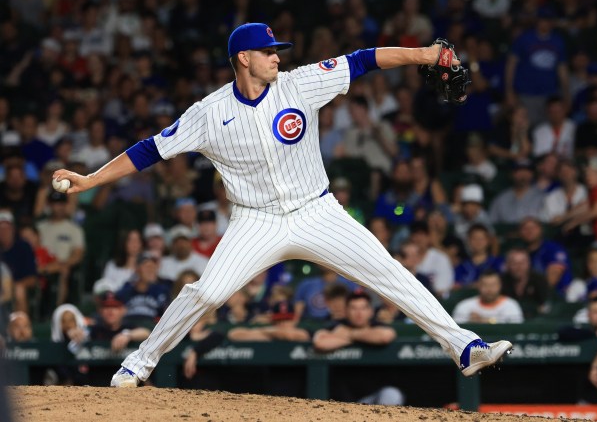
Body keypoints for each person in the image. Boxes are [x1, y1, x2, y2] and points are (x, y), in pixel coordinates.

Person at [52, 22, 512, 387]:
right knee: (207, 292)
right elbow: (150, 149)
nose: (278, 56)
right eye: (270, 51)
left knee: (389, 272)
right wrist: (91, 180)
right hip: (257, 221)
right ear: (243, 58)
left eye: (279, 50)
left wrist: (426, 55)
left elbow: (364, 60)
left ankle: (465, 348)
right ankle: (140, 361)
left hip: (318, 212)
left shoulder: (300, 84)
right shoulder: (208, 113)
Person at [313, 290, 405, 406]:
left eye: (363, 308)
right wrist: (363, 336)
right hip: (342, 402)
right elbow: (320, 342)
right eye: (354, 308)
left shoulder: (376, 325)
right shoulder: (337, 325)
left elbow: (385, 337)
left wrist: (350, 335)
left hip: (373, 399)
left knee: (391, 394)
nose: (359, 313)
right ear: (346, 311)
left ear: (371, 311)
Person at [519, 217, 573, 293]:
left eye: (533, 227)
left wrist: (533, 294)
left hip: (558, 295)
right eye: (525, 228)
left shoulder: (553, 248)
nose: (529, 231)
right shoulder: (519, 252)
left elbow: (552, 277)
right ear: (520, 232)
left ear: (540, 229)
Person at [452, 271, 524, 324]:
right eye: (485, 285)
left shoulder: (511, 305)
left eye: (493, 285)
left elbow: (517, 331)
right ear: (478, 286)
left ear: (500, 286)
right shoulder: (464, 306)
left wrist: (486, 320)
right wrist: (470, 321)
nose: (489, 289)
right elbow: (455, 331)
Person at [0, 211, 37, 313]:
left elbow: (32, 278)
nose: (3, 231)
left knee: (19, 290)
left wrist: (13, 285)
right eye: (0, 228)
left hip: (17, 286)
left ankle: (21, 325)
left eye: (6, 228)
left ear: (13, 229)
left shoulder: (23, 247)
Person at [489, 159, 545, 224]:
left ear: (532, 174)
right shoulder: (501, 199)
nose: (523, 174)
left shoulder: (542, 197)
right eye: (519, 171)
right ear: (512, 174)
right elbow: (492, 224)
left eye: (527, 171)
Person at [500, 248, 549, 319]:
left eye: (522, 263)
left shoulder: (540, 280)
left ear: (529, 264)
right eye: (514, 263)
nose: (519, 267)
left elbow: (547, 304)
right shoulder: (501, 281)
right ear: (507, 265)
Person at [228, 301, 310, 342]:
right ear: (272, 320)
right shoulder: (267, 333)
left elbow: (288, 335)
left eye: (286, 319)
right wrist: (266, 331)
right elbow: (234, 334)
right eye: (279, 320)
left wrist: (268, 332)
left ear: (295, 319)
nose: (282, 323)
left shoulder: (302, 333)